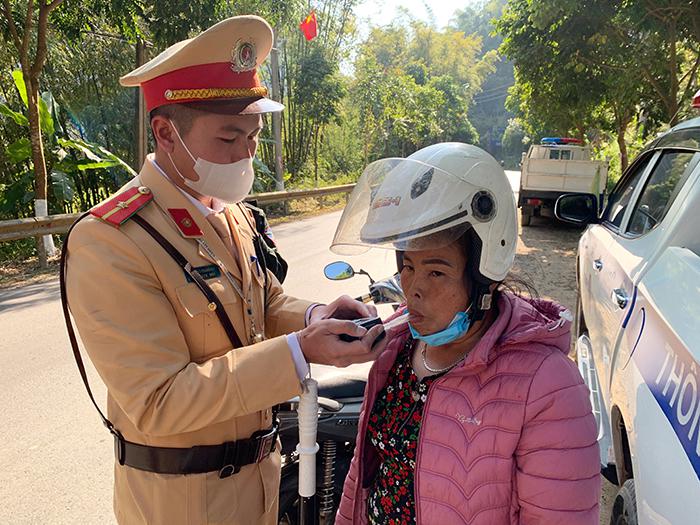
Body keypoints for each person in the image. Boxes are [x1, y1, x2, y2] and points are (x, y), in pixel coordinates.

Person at [61, 15, 386, 525]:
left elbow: (265, 302)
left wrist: (317, 316)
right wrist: (301, 352)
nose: (247, 153)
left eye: (254, 135)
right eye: (230, 137)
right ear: (166, 133)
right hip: (181, 501)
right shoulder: (111, 242)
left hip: (258, 483)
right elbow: (159, 401)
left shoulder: (226, 209)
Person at [332, 143, 601, 524]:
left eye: (436, 272)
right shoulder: (396, 351)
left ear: (484, 276)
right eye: (407, 267)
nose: (413, 289)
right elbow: (362, 480)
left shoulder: (545, 386)